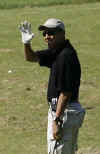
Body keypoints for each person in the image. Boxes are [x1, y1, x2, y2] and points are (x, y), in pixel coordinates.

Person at [19, 18, 85, 154]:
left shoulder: (66, 56)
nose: (46, 37)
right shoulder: (56, 51)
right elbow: (31, 57)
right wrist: (26, 43)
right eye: (44, 34)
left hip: (65, 112)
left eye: (50, 33)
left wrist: (57, 121)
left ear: (62, 33)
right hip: (59, 112)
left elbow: (65, 93)